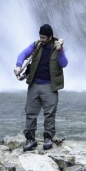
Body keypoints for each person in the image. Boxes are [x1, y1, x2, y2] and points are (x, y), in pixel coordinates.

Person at [13, 23, 67, 151]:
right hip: (34, 84)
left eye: (43, 37)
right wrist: (18, 65)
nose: (41, 39)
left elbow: (64, 63)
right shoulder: (36, 45)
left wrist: (60, 50)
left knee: (49, 114)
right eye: (40, 37)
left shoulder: (57, 47)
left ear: (50, 37)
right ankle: (30, 139)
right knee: (30, 112)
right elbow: (22, 54)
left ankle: (48, 138)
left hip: (50, 86)